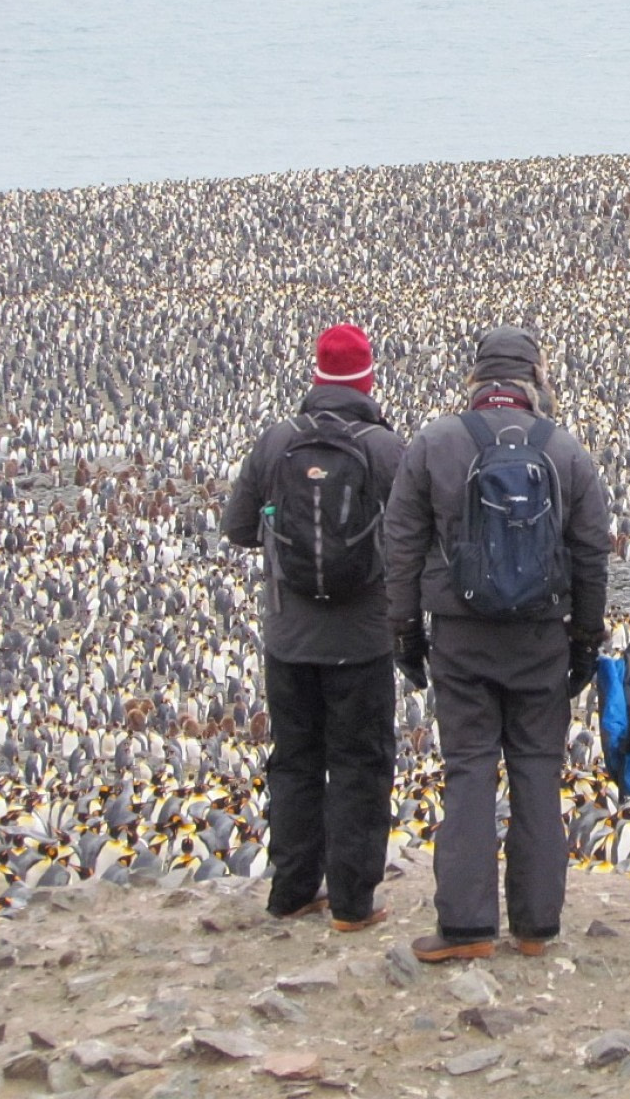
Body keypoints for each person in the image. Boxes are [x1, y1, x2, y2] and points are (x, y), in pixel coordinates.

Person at [385, 327, 609, 962]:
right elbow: (593, 552)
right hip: (542, 637)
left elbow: (400, 546)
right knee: (538, 769)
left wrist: (403, 631)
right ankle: (537, 927)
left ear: (477, 380)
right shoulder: (566, 450)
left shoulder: (433, 442)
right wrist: (586, 640)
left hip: (460, 634)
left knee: (470, 768)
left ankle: (465, 928)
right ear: (534, 380)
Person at [223, 323, 403, 931]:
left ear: (316, 376)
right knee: (361, 762)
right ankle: (353, 902)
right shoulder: (385, 449)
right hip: (363, 639)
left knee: (295, 760)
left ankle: (293, 890)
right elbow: (412, 539)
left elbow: (238, 527)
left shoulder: (277, 442)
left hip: (289, 637)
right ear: (368, 378)